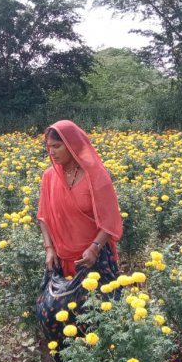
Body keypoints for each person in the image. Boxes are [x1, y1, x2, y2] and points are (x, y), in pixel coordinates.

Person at [35, 120, 123, 340]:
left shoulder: (96, 176)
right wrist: (49, 249)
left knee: (98, 320)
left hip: (94, 260)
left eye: (57, 146)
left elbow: (110, 218)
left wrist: (94, 248)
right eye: (49, 146)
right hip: (63, 260)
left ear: (72, 144)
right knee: (60, 317)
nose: (52, 152)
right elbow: (44, 217)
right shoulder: (49, 177)